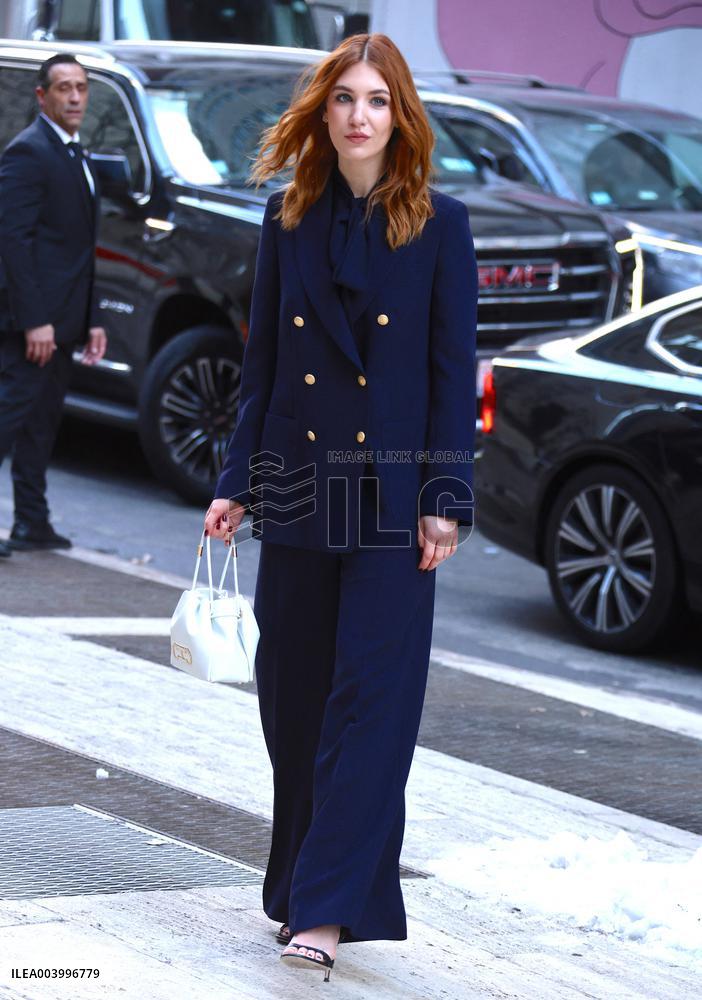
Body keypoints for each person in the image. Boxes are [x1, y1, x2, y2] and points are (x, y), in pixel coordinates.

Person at [204, 32, 478, 982]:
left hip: (397, 497)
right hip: (297, 483)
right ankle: (306, 885)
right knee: (294, 704)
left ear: (400, 117)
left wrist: (445, 495)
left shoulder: (441, 225)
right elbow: (263, 370)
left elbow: (451, 373)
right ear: (322, 115)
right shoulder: (287, 219)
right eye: (344, 99)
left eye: (378, 100)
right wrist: (236, 481)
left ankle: (321, 911)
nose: (360, 115)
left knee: (372, 704)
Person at [0, 53, 106, 559]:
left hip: (63, 320)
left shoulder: (73, 153)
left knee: (41, 425)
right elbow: (12, 242)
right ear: (42, 96)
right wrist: (34, 320)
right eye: (63, 87)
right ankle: (29, 520)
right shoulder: (29, 152)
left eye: (81, 87)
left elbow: (82, 247)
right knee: (8, 418)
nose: (74, 97)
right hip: (33, 323)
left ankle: (32, 522)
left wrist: (93, 320)